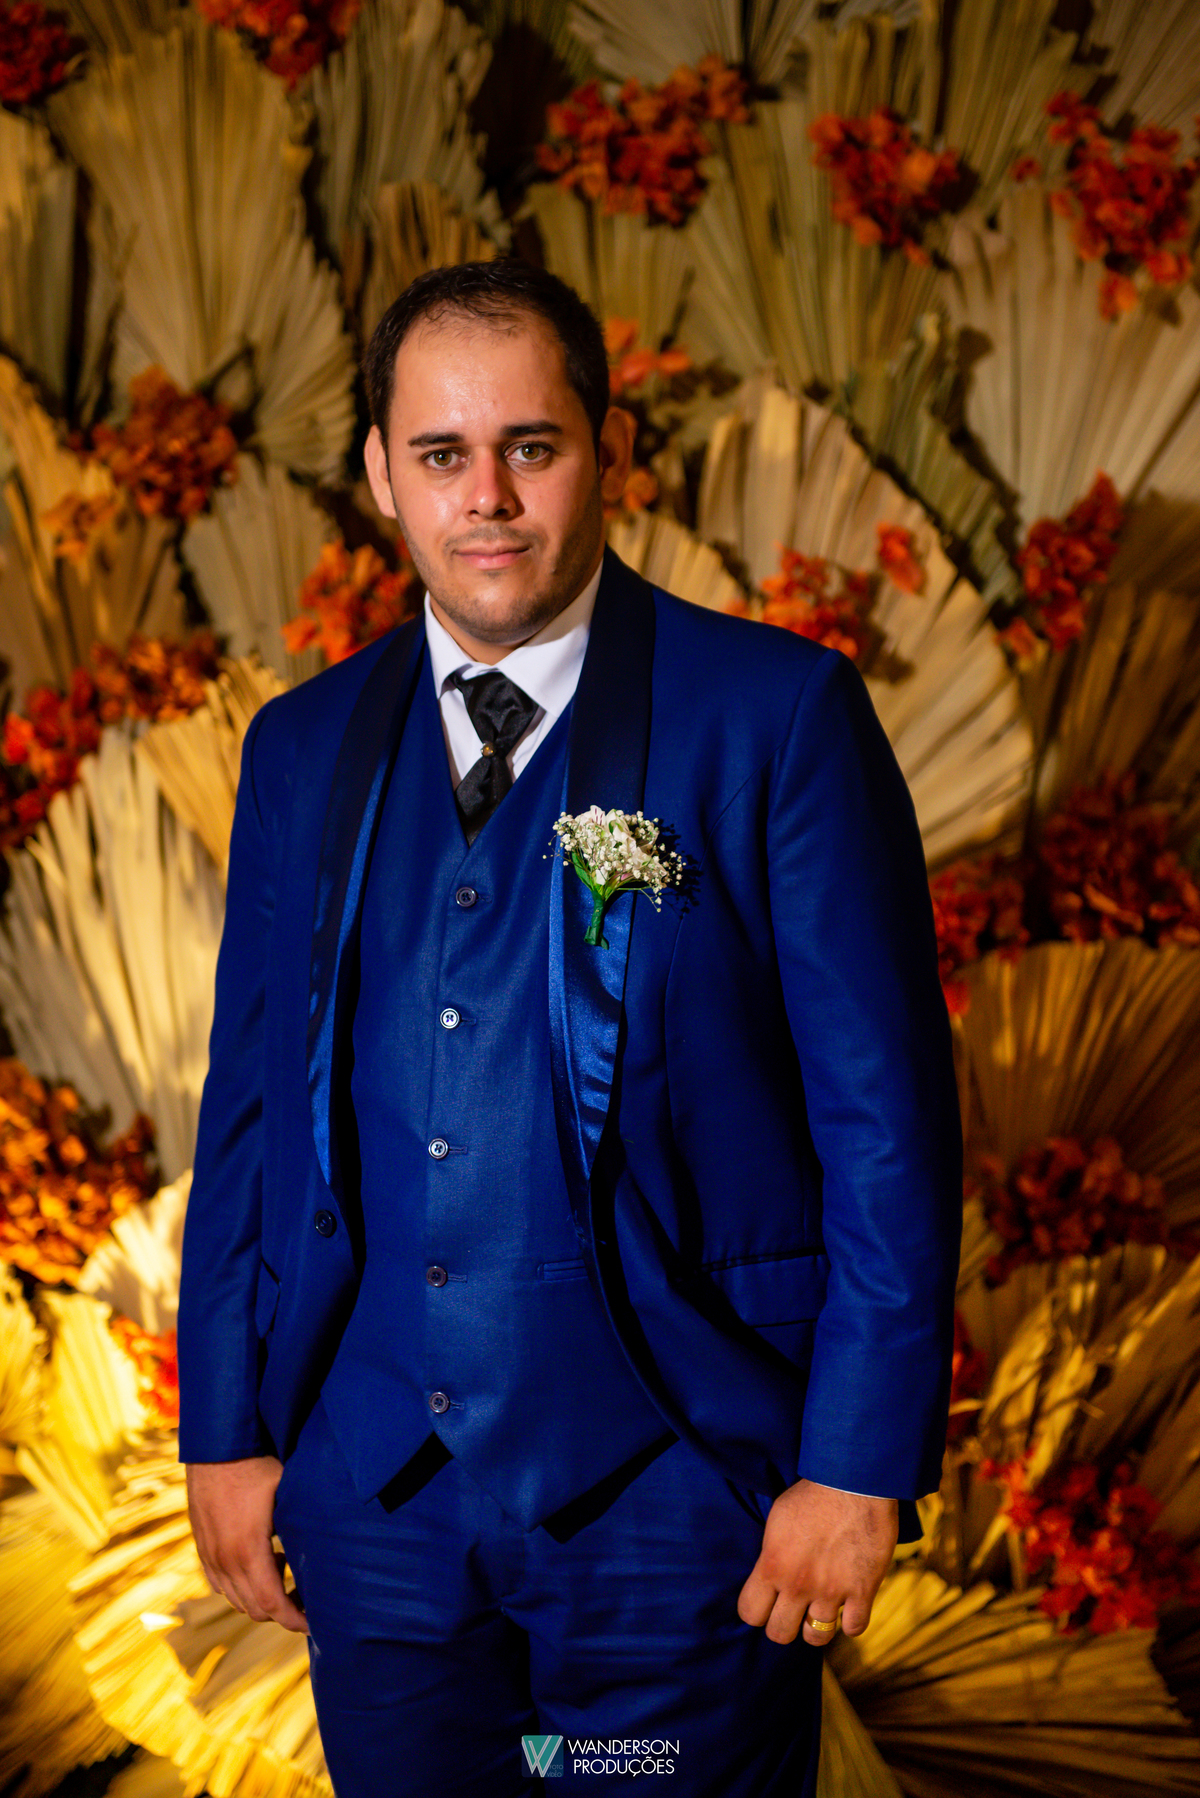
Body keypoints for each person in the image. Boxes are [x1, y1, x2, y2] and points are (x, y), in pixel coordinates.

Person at [178, 260, 962, 1796]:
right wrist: (226, 1427)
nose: (486, 498)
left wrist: (858, 1464)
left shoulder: (775, 717)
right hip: (374, 1502)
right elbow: (251, 1113)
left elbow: (887, 1124)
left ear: (605, 448)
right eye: (441, 454)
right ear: (381, 475)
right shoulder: (299, 747)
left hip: (680, 1498)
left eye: (529, 447)